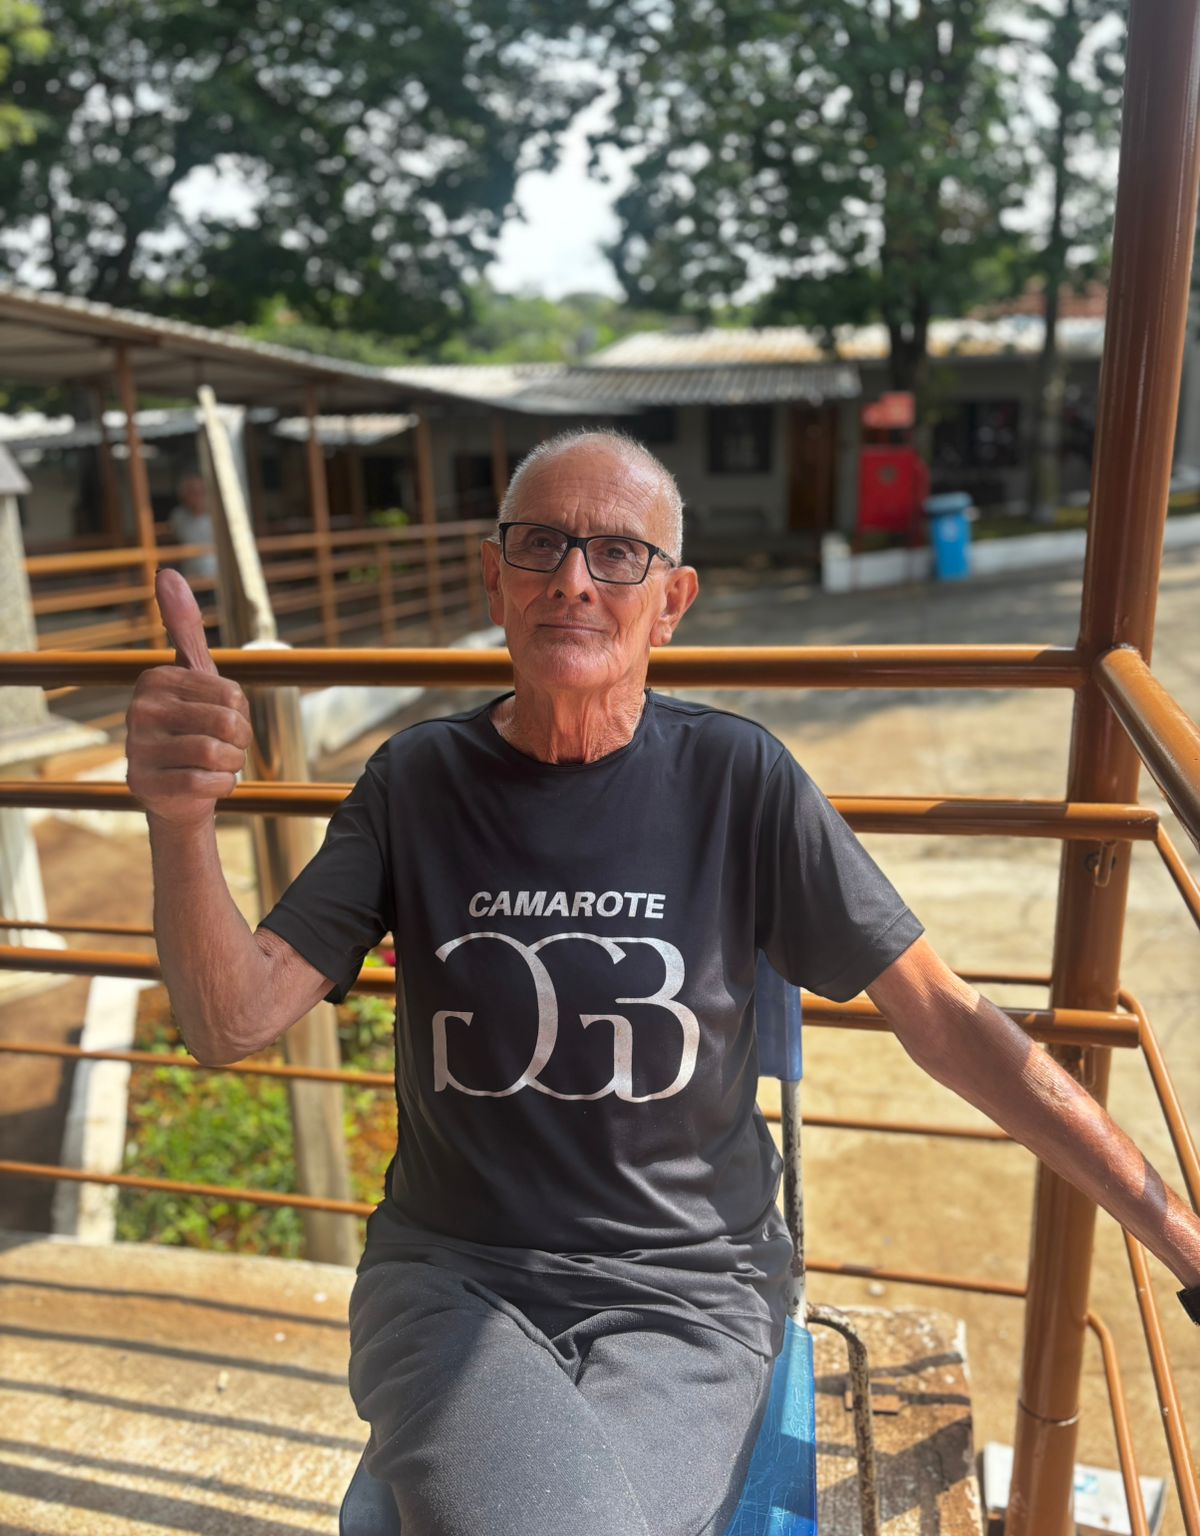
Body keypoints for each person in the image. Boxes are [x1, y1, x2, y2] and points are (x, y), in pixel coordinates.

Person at [126, 429, 1200, 1536]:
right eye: (540, 544)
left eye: (618, 554)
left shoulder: (739, 780)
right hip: (451, 1273)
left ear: (671, 601)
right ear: (496, 578)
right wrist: (179, 818)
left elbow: (949, 1020)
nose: (573, 580)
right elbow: (231, 1018)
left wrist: (1181, 1237)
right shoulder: (417, 781)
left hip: (692, 1290)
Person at [167, 472, 218, 580]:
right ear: (183, 496)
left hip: (218, 577)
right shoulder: (178, 516)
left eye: (201, 492)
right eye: (192, 492)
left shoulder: (218, 515)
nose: (198, 497)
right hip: (191, 577)